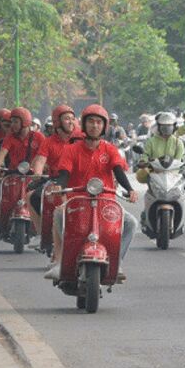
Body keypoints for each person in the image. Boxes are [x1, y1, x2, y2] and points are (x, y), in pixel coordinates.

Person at [43, 104, 139, 281]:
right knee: (58, 214)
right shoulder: (71, 149)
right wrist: (58, 186)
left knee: (131, 223)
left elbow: (118, 170)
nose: (95, 126)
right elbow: (64, 174)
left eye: (99, 123)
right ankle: (59, 261)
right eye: (91, 122)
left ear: (104, 127)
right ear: (84, 125)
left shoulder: (109, 149)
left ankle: (117, 263)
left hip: (106, 202)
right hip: (78, 201)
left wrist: (130, 190)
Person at [27, 105, 83, 240]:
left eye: (72, 118)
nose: (71, 122)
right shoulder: (49, 142)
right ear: (57, 122)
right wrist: (37, 173)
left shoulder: (82, 138)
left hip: (80, 179)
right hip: (56, 180)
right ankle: (42, 233)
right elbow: (40, 160)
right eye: (66, 119)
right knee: (31, 196)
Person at [135, 111, 185, 183]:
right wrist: (143, 161)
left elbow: (178, 160)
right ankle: (151, 188)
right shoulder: (151, 141)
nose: (166, 129)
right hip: (154, 169)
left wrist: (176, 168)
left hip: (173, 171)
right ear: (158, 127)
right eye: (164, 127)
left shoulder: (178, 142)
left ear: (174, 127)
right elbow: (146, 154)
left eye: (169, 126)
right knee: (141, 174)